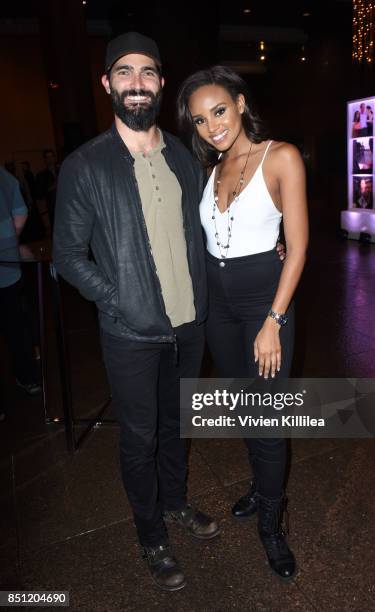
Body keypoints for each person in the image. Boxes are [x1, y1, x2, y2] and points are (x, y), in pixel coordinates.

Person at [53, 32, 220, 592]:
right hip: (130, 332)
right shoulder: (86, 165)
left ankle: (175, 504)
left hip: (188, 325)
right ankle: (151, 534)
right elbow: (67, 257)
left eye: (148, 72)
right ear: (107, 83)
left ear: (161, 82)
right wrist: (119, 299)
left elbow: (201, 229)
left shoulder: (182, 154)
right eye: (125, 73)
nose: (137, 84)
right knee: (140, 438)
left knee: (178, 427)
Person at [177, 65, 308, 581]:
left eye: (219, 111)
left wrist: (274, 320)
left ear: (240, 102)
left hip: (262, 304)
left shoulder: (281, 156)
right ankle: (263, 486)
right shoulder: (207, 168)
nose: (212, 126)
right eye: (200, 120)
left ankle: (273, 525)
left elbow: (297, 247)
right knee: (243, 406)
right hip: (219, 306)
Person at [0, 166, 41, 402]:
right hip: (8, 262)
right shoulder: (4, 177)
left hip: (8, 263)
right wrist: (9, 238)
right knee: (16, 327)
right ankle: (27, 378)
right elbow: (20, 211)